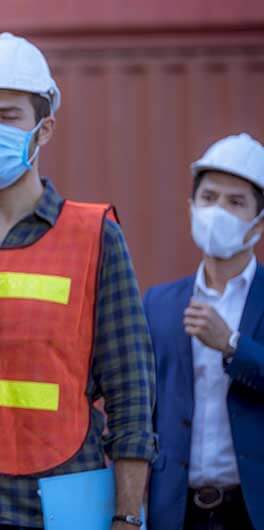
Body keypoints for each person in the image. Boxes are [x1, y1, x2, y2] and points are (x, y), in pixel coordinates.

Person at [0, 33, 157, 529]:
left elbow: (131, 390)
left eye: (8, 115)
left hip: (64, 495)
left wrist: (128, 515)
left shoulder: (96, 235)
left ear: (45, 129)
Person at [145, 133, 264, 530]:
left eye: (236, 203)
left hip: (250, 510)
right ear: (191, 207)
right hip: (177, 511)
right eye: (209, 198)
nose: (218, 212)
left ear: (258, 222)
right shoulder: (159, 304)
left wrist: (233, 346)